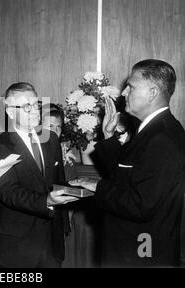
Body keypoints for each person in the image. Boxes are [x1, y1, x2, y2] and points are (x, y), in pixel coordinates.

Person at [77, 59, 185, 267]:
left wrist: (98, 187)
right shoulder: (152, 129)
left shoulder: (162, 138)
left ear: (153, 92)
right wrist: (108, 137)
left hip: (141, 254)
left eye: (131, 86)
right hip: (136, 249)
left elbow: (140, 205)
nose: (124, 92)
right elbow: (127, 175)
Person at [0, 82, 78, 268]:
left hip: (51, 245)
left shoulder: (51, 139)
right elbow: (7, 192)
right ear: (11, 112)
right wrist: (47, 201)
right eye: (27, 106)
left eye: (36, 104)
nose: (35, 111)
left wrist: (64, 227)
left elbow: (58, 182)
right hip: (17, 247)